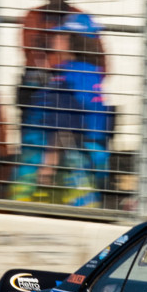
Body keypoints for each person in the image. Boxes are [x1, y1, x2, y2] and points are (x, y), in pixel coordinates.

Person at [11, 13, 112, 206]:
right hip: (86, 155)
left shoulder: (71, 76)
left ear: (72, 40)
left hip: (70, 160)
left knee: (31, 207)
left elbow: (65, 122)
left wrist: (49, 163)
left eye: (61, 34)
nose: (54, 38)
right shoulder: (89, 73)